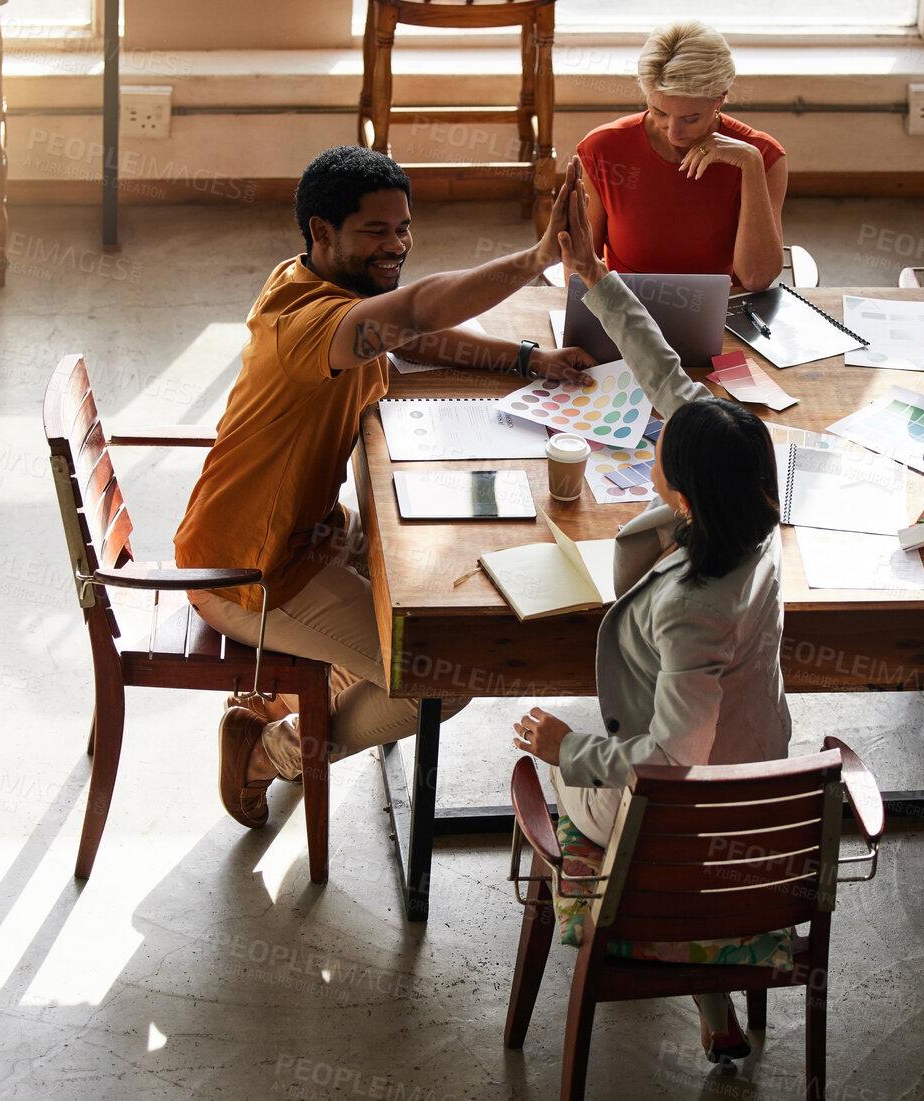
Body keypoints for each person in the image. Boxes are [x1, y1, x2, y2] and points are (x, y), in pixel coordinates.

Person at [175, 145, 597, 829]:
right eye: (375, 231)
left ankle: (304, 699)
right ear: (321, 232)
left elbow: (411, 334)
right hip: (250, 573)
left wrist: (527, 359)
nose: (396, 245)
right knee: (439, 677)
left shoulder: (321, 284)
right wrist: (535, 258)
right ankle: (267, 752)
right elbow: (419, 312)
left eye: (403, 229)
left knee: (437, 600)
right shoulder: (305, 323)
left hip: (314, 534)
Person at [512, 160, 791, 1061]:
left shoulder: (692, 610)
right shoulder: (748, 504)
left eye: (657, 456)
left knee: (554, 767)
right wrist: (594, 276)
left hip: (686, 811)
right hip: (761, 768)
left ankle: (653, 944)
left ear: (680, 493)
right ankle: (715, 1004)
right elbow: (664, 370)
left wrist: (572, 750)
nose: (652, 447)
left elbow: (671, 761)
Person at [575, 20, 788, 291]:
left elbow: (757, 279)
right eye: (659, 112)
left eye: (691, 118)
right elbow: (579, 268)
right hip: (624, 310)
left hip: (721, 314)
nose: (674, 133)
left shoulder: (764, 156)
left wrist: (751, 165)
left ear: (720, 99)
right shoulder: (601, 149)